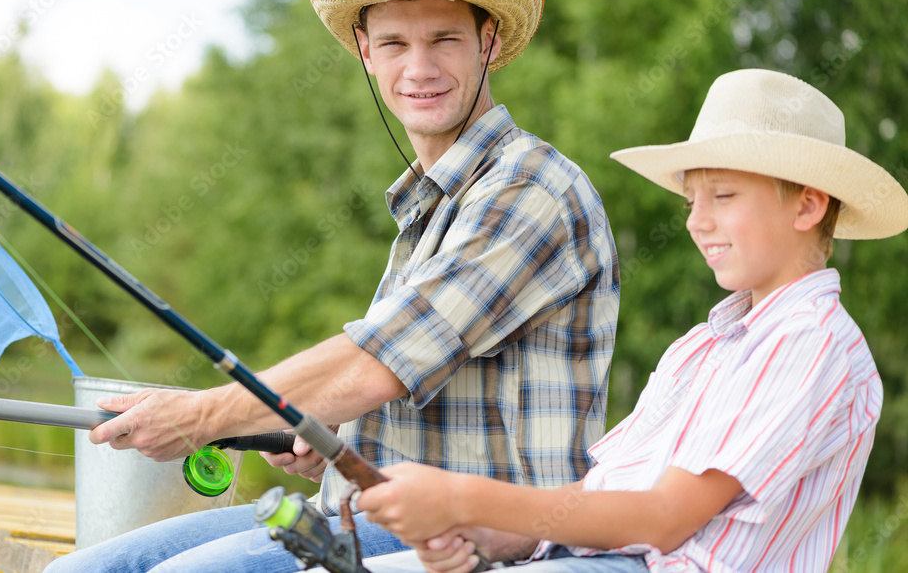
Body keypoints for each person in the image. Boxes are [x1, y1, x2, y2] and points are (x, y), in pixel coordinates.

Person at [45, 0, 619, 572]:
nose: (420, 67)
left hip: (480, 543)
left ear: (488, 42)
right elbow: (411, 388)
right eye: (395, 43)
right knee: (77, 569)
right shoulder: (434, 204)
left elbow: (379, 361)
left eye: (445, 40)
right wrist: (326, 435)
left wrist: (206, 416)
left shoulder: (530, 189)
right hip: (362, 512)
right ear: (365, 50)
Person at [345, 68, 908, 573]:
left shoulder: (810, 341)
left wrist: (460, 499)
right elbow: (604, 493)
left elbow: (663, 519)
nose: (697, 222)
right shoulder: (701, 348)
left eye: (724, 196)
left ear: (808, 206)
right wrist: (491, 536)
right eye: (691, 202)